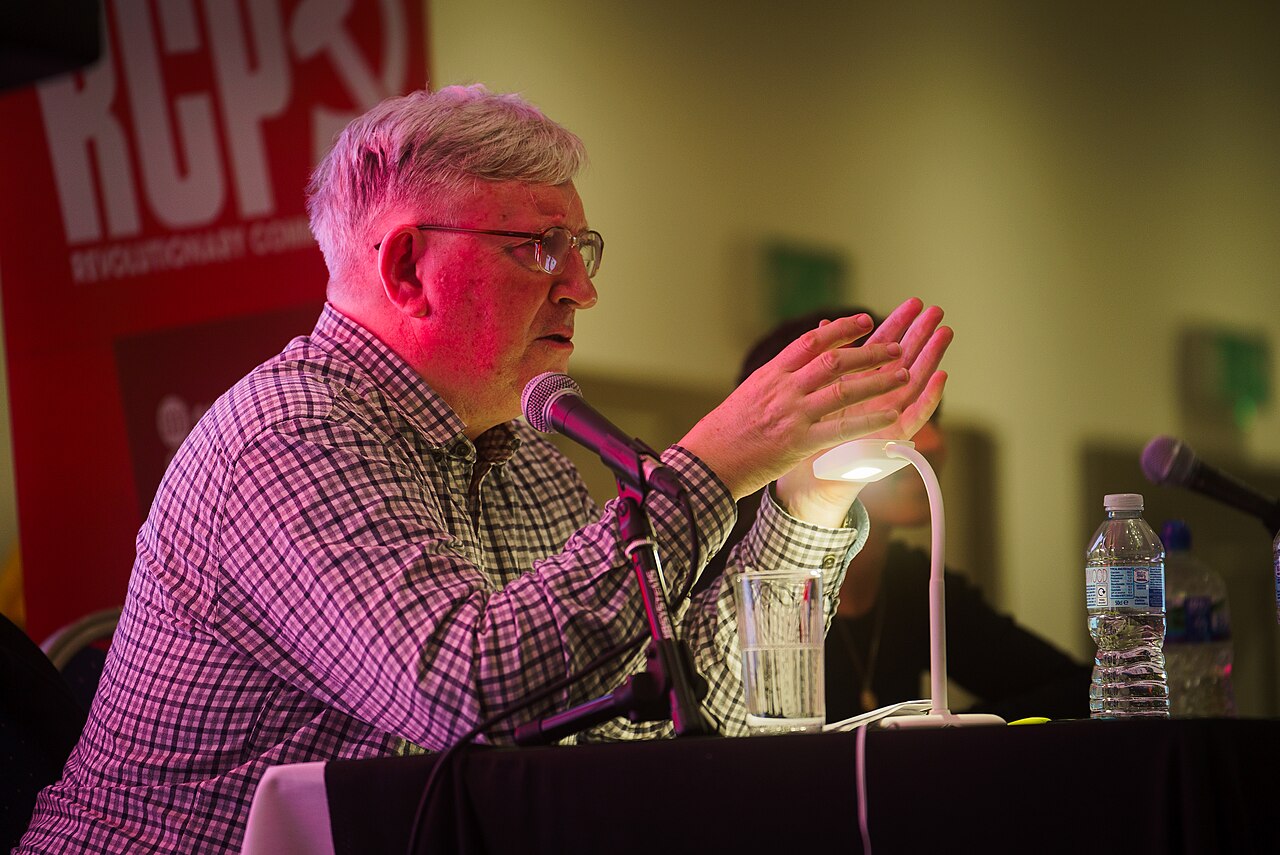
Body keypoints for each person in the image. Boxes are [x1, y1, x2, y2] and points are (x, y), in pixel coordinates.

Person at [19, 86, 951, 853]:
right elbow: (458, 690)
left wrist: (808, 498)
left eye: (581, 249)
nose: (582, 287)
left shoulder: (529, 457)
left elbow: (660, 724)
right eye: (539, 249)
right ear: (406, 267)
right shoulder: (284, 434)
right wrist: (717, 461)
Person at [707, 308, 1091, 723]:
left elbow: (1077, 690)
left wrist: (940, 734)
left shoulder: (912, 583)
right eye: (883, 412)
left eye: (929, 413)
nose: (929, 441)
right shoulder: (722, 587)